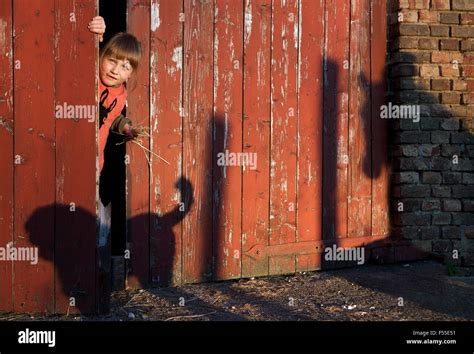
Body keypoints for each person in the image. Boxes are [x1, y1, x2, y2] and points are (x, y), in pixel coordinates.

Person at [88, 16, 141, 311]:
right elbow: (79, 54)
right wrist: (96, 35)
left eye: (125, 67)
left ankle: (96, 275)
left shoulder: (120, 94)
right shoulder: (88, 74)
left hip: (95, 164)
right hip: (70, 159)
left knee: (95, 220)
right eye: (111, 60)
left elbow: (112, 117)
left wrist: (127, 128)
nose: (115, 70)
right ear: (100, 56)